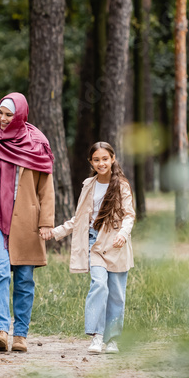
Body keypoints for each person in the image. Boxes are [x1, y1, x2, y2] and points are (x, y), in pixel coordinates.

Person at [0, 93, 55, 354]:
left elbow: (46, 189)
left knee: (25, 279)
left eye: (9, 115)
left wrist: (46, 222)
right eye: (0, 113)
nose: (3, 119)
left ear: (20, 115)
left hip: (27, 221)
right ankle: (1, 331)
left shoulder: (37, 143)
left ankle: (20, 335)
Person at [49, 141, 135, 354]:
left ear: (112, 159)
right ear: (91, 162)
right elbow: (80, 219)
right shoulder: (89, 184)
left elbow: (129, 214)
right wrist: (57, 232)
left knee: (116, 293)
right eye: (96, 159)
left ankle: (112, 338)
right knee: (99, 284)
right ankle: (97, 336)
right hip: (94, 242)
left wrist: (123, 234)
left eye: (105, 158)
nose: (101, 163)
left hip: (116, 243)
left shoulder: (121, 185)